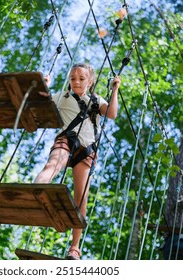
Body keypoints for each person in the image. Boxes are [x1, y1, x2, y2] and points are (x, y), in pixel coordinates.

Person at [36, 63, 121, 260]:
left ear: (90, 82)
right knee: (52, 165)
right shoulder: (63, 96)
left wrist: (115, 90)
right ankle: (38, 189)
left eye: (81, 79)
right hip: (66, 139)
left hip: (87, 150)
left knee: (81, 198)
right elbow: (42, 103)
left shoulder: (95, 100)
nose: (76, 82)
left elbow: (112, 113)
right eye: (73, 78)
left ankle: (75, 247)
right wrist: (44, 86)